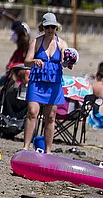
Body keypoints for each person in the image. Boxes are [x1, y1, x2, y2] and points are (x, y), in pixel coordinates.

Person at [22, 12, 70, 151]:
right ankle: (25, 147)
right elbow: (26, 61)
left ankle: (48, 150)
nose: (50, 30)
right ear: (43, 27)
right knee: (32, 112)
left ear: (56, 28)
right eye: (47, 27)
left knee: (50, 116)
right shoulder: (36, 42)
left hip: (54, 82)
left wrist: (68, 62)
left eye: (53, 27)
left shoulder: (62, 43)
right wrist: (34, 61)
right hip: (37, 81)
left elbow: (64, 61)